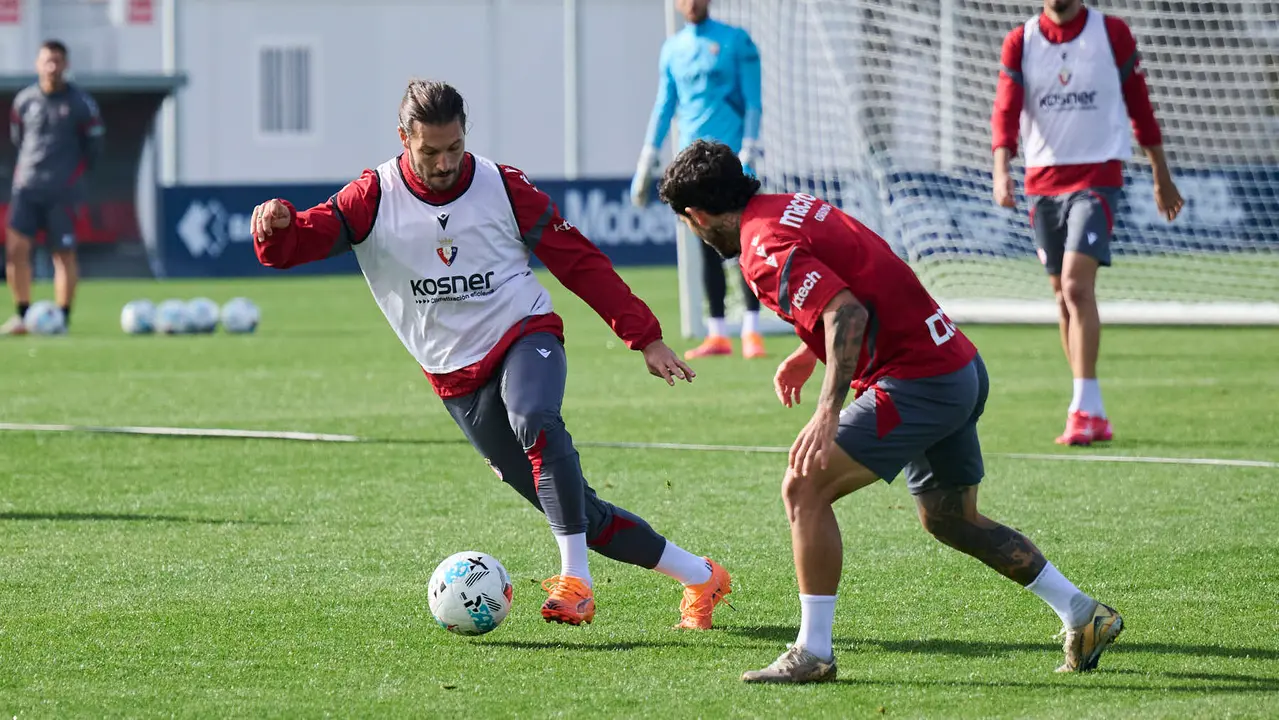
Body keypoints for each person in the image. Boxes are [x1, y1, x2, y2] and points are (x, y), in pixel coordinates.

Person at [251, 80, 732, 630]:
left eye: (454, 147)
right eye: (429, 150)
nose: (444, 162)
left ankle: (575, 582)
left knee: (535, 418)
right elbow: (299, 241)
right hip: (455, 378)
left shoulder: (502, 187)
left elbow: (578, 260)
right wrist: (278, 223)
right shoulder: (374, 197)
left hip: (523, 333)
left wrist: (644, 335)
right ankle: (700, 575)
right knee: (577, 510)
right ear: (403, 139)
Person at [658, 139, 1124, 684]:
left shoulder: (762, 246)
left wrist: (829, 409)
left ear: (698, 216)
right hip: (956, 366)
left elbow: (847, 311)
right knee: (950, 518)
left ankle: (813, 651)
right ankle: (1081, 612)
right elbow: (861, 282)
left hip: (918, 382)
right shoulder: (787, 206)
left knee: (803, 487)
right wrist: (808, 353)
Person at [991, 0, 1183, 445]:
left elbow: (1140, 106)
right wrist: (1001, 170)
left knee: (1077, 287)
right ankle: (1088, 410)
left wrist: (1161, 175)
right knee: (1062, 297)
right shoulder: (1021, 41)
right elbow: (1005, 111)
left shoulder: (1112, 33)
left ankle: (1084, 406)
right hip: (1042, 185)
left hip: (1098, 177)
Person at [631, 0, 767, 360]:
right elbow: (665, 105)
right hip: (691, 165)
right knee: (706, 244)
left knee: (746, 244)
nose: (692, 3)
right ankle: (718, 333)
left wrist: (750, 147)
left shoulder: (736, 40)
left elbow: (753, 100)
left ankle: (752, 329)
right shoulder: (673, 49)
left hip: (733, 162)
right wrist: (649, 155)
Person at [2, 40, 104, 335]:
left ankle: (61, 318)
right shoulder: (25, 101)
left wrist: (73, 176)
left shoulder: (81, 103)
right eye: (47, 60)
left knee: (63, 253)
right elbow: (19, 138)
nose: (52, 66)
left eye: (57, 61)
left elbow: (94, 146)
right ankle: (21, 315)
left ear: (66, 65)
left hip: (63, 189)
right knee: (17, 250)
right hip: (27, 187)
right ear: (37, 64)